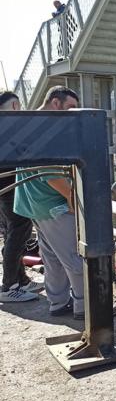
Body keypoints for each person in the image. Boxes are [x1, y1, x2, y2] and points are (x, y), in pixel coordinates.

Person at [13, 86, 83, 317]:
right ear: (56, 103)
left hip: (34, 204)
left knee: (52, 257)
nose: (73, 113)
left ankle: (58, 302)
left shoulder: (30, 124)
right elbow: (52, 175)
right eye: (71, 107)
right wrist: (73, 200)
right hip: (54, 206)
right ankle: (85, 306)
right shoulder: (45, 131)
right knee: (74, 256)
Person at [0, 91, 43, 302]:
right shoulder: (9, 127)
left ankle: (22, 280)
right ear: (15, 105)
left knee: (12, 234)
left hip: (5, 188)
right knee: (18, 233)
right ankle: (9, 287)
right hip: (10, 187)